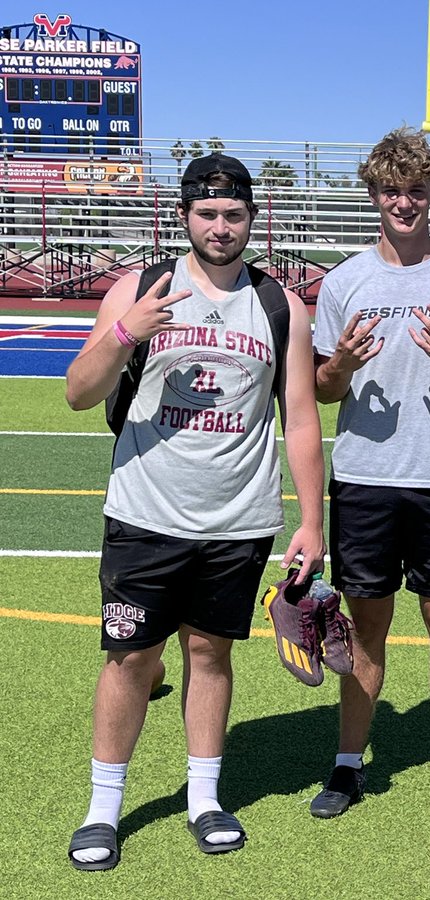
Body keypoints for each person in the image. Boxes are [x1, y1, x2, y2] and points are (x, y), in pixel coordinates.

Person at [63, 153, 326, 870]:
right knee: (129, 658)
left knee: (209, 654)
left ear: (251, 220)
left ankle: (204, 797)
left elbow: (300, 419)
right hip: (146, 511)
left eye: (233, 214)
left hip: (237, 519)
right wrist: (126, 334)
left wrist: (311, 521)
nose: (220, 226)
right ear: (185, 216)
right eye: (207, 214)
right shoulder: (140, 289)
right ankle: (103, 808)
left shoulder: (280, 306)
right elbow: (79, 393)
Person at [308, 128, 430, 822]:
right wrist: (344, 368)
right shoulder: (346, 280)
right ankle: (349, 764)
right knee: (364, 624)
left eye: (415, 190)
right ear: (373, 195)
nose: (404, 202)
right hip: (364, 477)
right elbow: (323, 389)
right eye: (391, 190)